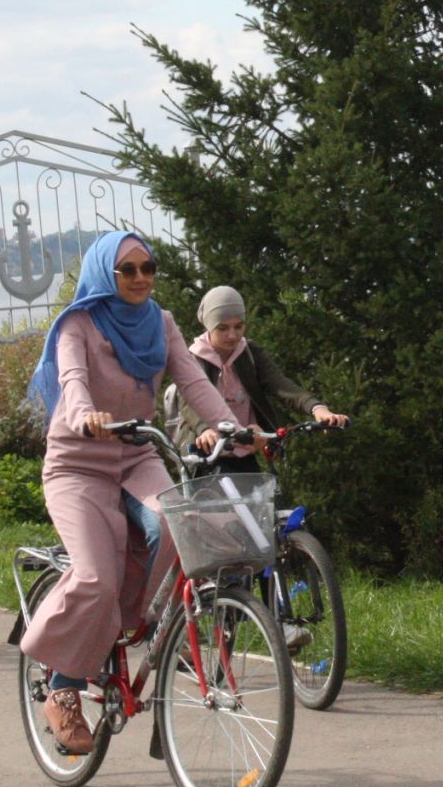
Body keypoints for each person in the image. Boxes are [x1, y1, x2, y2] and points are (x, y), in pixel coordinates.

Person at [18, 232, 240, 756]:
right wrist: (82, 415)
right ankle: (61, 685)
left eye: (148, 267)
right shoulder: (78, 323)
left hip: (137, 455)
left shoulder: (160, 322)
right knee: (95, 575)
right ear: (104, 274)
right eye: (128, 270)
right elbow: (72, 378)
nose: (140, 278)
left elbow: (194, 382)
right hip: (78, 463)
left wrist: (232, 427)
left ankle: (124, 624)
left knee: (174, 523)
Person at [166, 284, 349, 477]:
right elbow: (191, 401)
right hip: (206, 453)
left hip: (242, 450)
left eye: (239, 326)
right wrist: (204, 430)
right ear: (209, 327)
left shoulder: (249, 353)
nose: (232, 335)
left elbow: (278, 383)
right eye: (222, 328)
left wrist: (317, 408)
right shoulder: (194, 357)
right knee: (215, 505)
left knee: (256, 504)